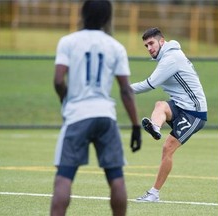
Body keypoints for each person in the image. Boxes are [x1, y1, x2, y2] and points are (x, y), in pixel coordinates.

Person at [50, 1, 142, 215]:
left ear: (82, 14)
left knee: (64, 178)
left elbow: (57, 80)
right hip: (105, 116)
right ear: (107, 18)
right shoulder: (116, 46)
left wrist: (67, 100)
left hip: (77, 116)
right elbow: (126, 90)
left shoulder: (68, 42)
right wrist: (136, 126)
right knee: (116, 179)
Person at [130, 27, 207, 202]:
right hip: (181, 106)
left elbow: (149, 84)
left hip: (194, 113)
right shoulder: (168, 55)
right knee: (160, 105)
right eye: (146, 45)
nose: (149, 48)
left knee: (167, 148)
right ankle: (155, 128)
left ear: (161, 42)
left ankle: (154, 194)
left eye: (151, 43)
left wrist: (124, 89)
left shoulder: (170, 58)